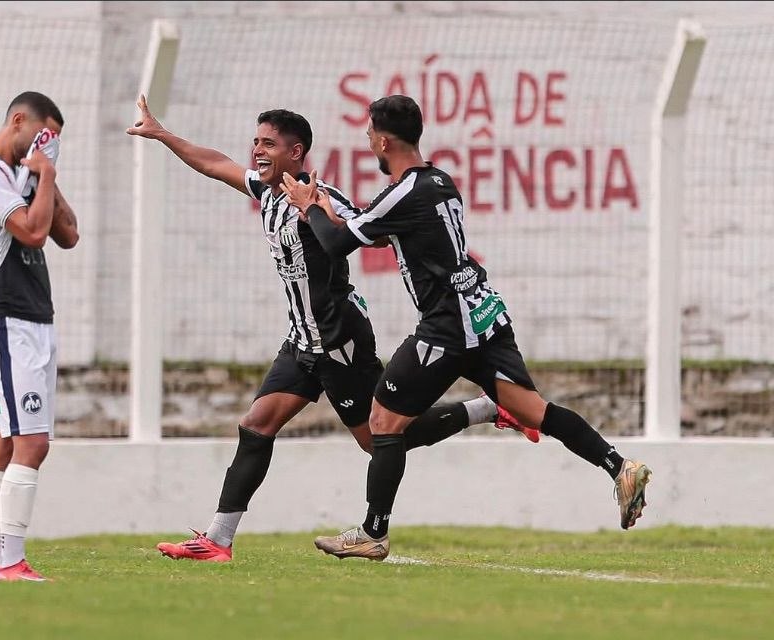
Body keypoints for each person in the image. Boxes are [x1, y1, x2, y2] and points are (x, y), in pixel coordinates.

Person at [125, 95, 537, 562]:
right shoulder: (264, 191)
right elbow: (215, 163)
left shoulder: (320, 197)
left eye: (268, 144)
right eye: (255, 141)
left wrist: (337, 219)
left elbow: (369, 229)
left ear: (296, 153)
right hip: (302, 340)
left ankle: (489, 409)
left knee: (378, 438)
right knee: (256, 425)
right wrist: (162, 134)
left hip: (340, 340)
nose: (256, 151)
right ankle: (217, 541)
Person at [282, 95, 652, 561]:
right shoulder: (437, 181)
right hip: (484, 313)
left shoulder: (402, 192)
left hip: (447, 328)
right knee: (535, 410)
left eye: (369, 136)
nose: (368, 144)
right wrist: (320, 207)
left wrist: (307, 207)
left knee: (382, 422)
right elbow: (362, 227)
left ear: (382, 139)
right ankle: (620, 467)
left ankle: (374, 532)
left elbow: (337, 244)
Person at [0, 91, 79, 582]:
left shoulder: (25, 176)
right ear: (18, 120)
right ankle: (10, 560)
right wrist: (41, 176)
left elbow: (67, 235)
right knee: (34, 442)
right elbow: (30, 232)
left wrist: (45, 176)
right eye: (43, 136)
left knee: (7, 446)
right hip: (8, 321)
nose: (47, 146)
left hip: (34, 321)